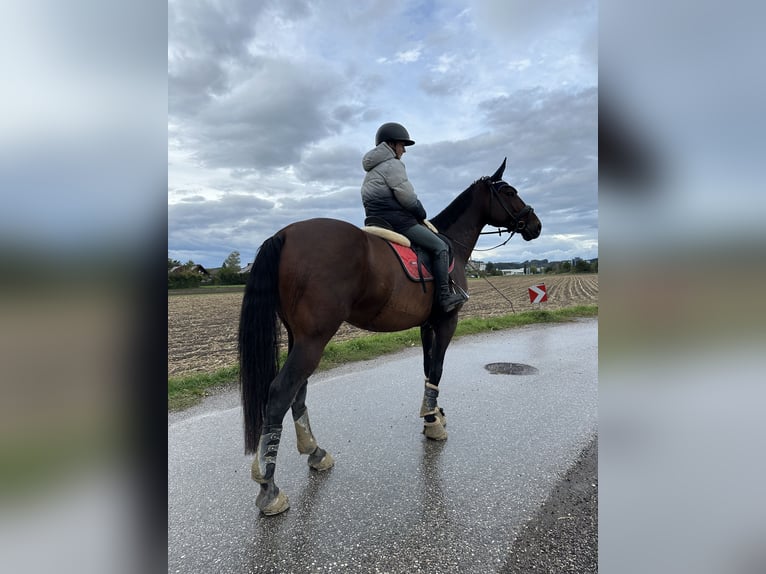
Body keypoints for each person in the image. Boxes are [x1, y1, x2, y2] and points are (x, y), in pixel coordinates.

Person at [361, 122, 467, 313]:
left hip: (375, 219)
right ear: (391, 144)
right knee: (440, 246)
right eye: (402, 145)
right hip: (398, 222)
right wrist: (420, 211)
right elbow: (408, 198)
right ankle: (444, 296)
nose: (404, 150)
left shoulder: (372, 170)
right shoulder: (393, 165)